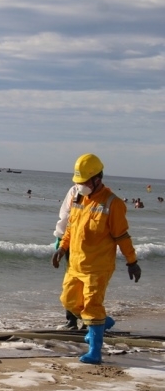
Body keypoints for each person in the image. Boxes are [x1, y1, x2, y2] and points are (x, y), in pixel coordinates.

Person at [52, 154, 142, 364]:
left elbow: (122, 236)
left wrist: (132, 262)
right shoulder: (78, 198)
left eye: (83, 181)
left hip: (97, 267)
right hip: (76, 264)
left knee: (92, 305)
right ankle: (101, 323)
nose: (79, 185)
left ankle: (95, 351)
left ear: (97, 178)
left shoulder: (113, 204)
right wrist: (62, 248)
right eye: (78, 181)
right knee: (69, 300)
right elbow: (72, 228)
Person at [52, 183, 81, 331]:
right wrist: (60, 239)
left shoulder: (76, 190)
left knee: (80, 284)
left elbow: (65, 215)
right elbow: (66, 215)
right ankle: (73, 320)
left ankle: (86, 321)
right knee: (72, 283)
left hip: (85, 245)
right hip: (72, 242)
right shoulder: (75, 191)